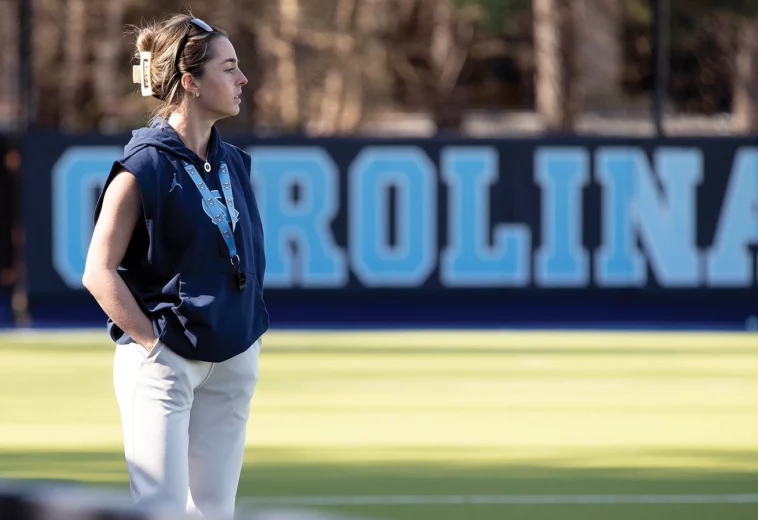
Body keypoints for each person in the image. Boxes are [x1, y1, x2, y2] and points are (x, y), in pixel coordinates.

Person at [82, 12, 269, 519]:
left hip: (232, 356)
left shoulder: (232, 160)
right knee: (160, 510)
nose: (242, 79)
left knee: (214, 512)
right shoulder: (144, 163)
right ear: (190, 82)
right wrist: (153, 345)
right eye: (229, 68)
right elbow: (97, 271)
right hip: (165, 364)